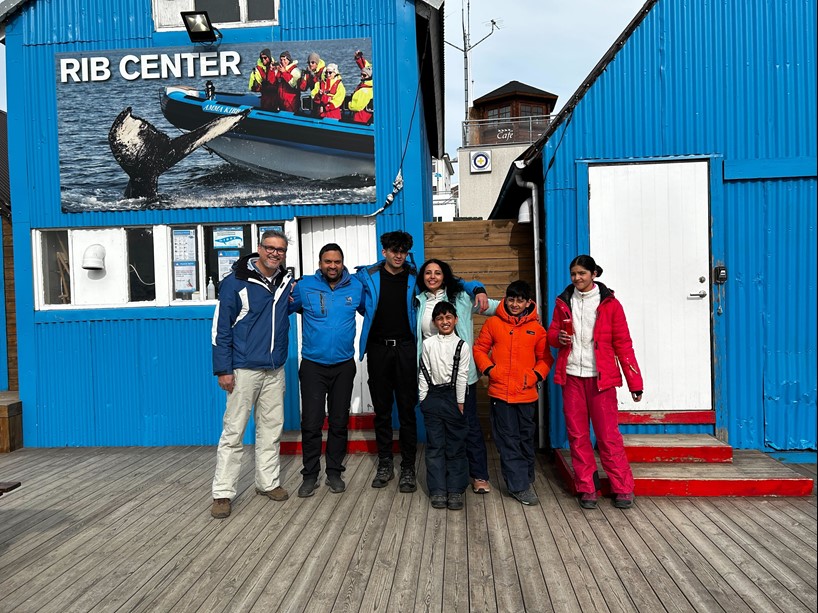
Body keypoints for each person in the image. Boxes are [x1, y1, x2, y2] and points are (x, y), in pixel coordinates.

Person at [357, 232, 487, 494]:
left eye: (403, 251)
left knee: (407, 411)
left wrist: (478, 288)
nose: (398, 255)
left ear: (407, 253)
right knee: (382, 411)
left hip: (407, 349)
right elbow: (356, 300)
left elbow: (455, 281)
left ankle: (407, 467)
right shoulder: (367, 276)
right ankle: (385, 464)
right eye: (394, 250)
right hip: (378, 349)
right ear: (384, 252)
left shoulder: (415, 277)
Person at [210, 230, 296, 519]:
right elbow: (220, 330)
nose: (275, 253)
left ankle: (267, 482)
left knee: (271, 429)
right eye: (270, 247)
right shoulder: (235, 282)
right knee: (233, 432)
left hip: (274, 369)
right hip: (243, 369)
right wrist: (224, 369)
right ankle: (223, 492)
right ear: (259, 248)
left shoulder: (285, 281)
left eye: (280, 250)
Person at [546, 254, 643, 510]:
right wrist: (558, 338)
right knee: (578, 436)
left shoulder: (611, 304)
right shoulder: (563, 301)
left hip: (601, 380)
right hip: (572, 377)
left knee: (608, 436)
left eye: (582, 273)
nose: (577, 278)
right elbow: (552, 333)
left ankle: (622, 487)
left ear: (594, 274)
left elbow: (623, 344)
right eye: (574, 274)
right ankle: (587, 487)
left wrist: (635, 383)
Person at [414, 259, 495, 494]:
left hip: (462, 377)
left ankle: (479, 475)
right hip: (433, 379)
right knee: (440, 433)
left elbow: (492, 306)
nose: (432, 276)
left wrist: (527, 311)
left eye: (437, 273)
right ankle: (445, 480)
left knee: (469, 425)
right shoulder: (418, 302)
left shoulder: (460, 297)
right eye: (428, 273)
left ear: (445, 276)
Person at [290, 243, 364, 497]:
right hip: (313, 365)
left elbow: (373, 308)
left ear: (343, 263)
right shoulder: (304, 286)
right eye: (327, 262)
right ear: (320, 263)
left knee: (339, 422)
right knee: (311, 423)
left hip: (343, 365)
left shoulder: (356, 287)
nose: (332, 266)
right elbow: (281, 308)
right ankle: (310, 475)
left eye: (337, 262)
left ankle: (334, 472)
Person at [473, 280, 553, 506]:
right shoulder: (493, 323)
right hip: (501, 394)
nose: (515, 304)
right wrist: (490, 370)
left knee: (525, 438)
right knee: (508, 440)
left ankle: (525, 476)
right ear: (505, 300)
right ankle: (519, 486)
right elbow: (479, 349)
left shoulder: (537, 329)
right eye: (511, 299)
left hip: (526, 394)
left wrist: (535, 376)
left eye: (520, 300)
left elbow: (546, 358)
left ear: (528, 302)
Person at [418, 302, 471, 511]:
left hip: (453, 399)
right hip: (432, 397)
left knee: (456, 445)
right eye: (440, 318)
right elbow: (424, 372)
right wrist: (423, 399)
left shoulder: (462, 346)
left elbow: (462, 377)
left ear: (455, 319)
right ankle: (438, 490)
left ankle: (455, 489)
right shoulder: (428, 344)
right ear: (434, 322)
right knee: (435, 446)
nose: (445, 321)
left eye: (448, 317)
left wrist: (460, 403)